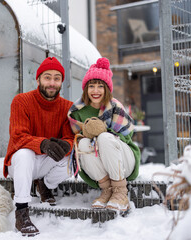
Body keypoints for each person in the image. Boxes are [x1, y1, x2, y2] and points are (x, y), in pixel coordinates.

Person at [3, 57, 75, 236]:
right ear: (38, 79)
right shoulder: (21, 101)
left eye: (57, 78)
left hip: (45, 162)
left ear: (61, 82)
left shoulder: (68, 107)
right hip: (20, 163)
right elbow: (18, 136)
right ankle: (21, 212)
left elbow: (71, 138)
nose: (52, 83)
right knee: (24, 153)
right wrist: (42, 143)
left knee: (74, 158)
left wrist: (66, 146)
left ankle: (45, 184)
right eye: (47, 77)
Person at [67, 57, 140, 212]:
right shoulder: (77, 112)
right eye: (91, 86)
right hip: (99, 166)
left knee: (104, 137)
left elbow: (127, 136)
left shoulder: (114, 106)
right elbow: (75, 138)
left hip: (123, 161)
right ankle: (106, 189)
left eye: (100, 86)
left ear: (107, 89)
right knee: (82, 143)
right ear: (86, 88)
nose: (95, 90)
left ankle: (120, 191)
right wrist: (88, 133)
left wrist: (103, 132)